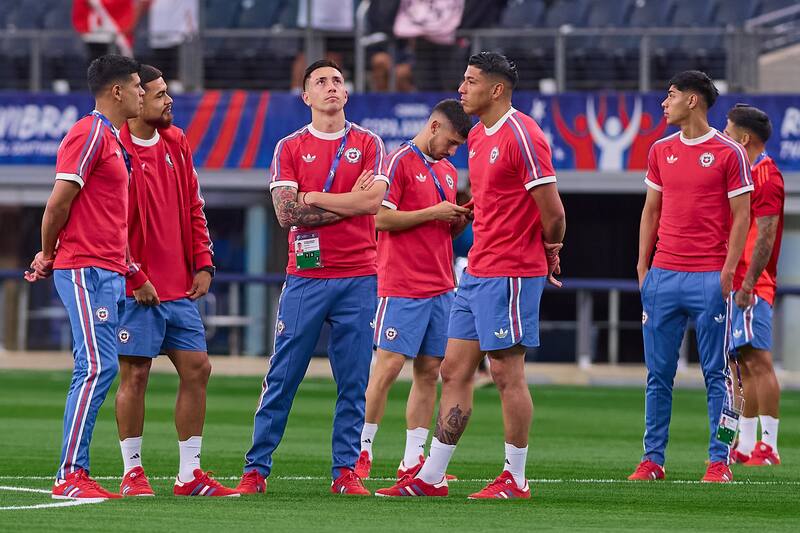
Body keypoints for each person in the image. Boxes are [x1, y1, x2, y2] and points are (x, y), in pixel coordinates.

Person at [377, 51, 566, 499]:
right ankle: (430, 476)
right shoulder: (479, 135)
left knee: (505, 374)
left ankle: (515, 478)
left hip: (513, 271)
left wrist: (551, 250)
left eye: (470, 81)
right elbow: (493, 200)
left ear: (496, 89)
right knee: (454, 369)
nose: (461, 89)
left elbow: (554, 213)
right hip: (477, 270)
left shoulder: (524, 134)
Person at [236, 59, 387, 496]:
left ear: (347, 91)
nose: (331, 87)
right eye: (321, 82)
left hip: (359, 274)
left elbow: (372, 203)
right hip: (306, 277)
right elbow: (286, 213)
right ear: (306, 96)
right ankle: (255, 470)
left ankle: (345, 472)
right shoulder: (288, 146)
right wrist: (348, 200)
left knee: (354, 379)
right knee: (283, 376)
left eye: (338, 80)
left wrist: (316, 197)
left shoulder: (369, 142)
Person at [113, 64, 237, 497]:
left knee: (198, 368)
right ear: (136, 97)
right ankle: (132, 471)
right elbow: (107, 224)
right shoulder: (116, 147)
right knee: (136, 375)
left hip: (178, 285)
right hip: (136, 287)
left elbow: (193, 204)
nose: (169, 101)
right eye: (160, 94)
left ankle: (189, 474)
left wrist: (204, 262)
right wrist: (135, 274)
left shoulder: (176, 141)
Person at [24, 54, 143, 499]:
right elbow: (58, 203)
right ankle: (69, 475)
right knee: (95, 365)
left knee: (97, 365)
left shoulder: (112, 138)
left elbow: (106, 216)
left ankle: (75, 472)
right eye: (135, 85)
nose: (140, 92)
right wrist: (49, 253)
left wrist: (130, 269)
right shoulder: (90, 132)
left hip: (106, 270)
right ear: (116, 91)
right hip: (84, 267)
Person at [629, 71, 753, 483]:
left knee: (717, 374)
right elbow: (651, 211)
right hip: (663, 275)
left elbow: (742, 217)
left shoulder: (729, 152)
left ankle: (720, 460)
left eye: (671, 95)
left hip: (709, 278)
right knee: (657, 374)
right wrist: (643, 268)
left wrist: (729, 269)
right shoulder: (660, 150)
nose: (664, 103)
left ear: (693, 101)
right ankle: (652, 460)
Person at [354, 99, 472, 480]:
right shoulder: (397, 160)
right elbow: (381, 219)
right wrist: (434, 212)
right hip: (402, 283)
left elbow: (439, 228)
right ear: (434, 127)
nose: (452, 151)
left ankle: (412, 460)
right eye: (451, 142)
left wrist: (456, 220)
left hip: (441, 285)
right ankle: (362, 452)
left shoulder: (449, 171)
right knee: (386, 369)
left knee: (429, 372)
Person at [723, 104, 784, 467]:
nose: (724, 136)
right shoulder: (745, 175)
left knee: (758, 360)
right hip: (738, 280)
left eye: (729, 132)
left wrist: (748, 282)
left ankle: (769, 446)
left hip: (753, 282)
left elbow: (767, 234)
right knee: (739, 363)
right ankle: (743, 444)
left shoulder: (765, 176)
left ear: (745, 139)